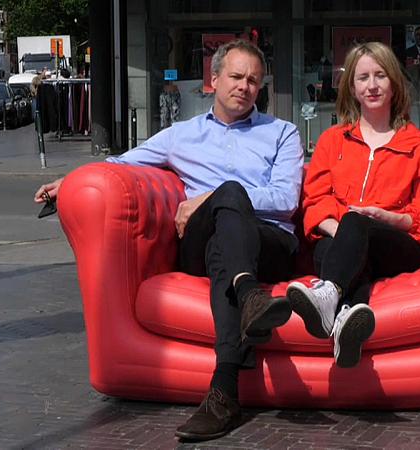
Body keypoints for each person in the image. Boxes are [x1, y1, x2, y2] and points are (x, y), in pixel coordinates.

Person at [34, 40, 303, 441]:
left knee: (225, 229)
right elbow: (122, 162)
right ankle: (248, 301)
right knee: (226, 210)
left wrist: (209, 197)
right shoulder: (182, 135)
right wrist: (71, 182)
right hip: (200, 242)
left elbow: (284, 200)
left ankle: (226, 387)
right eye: (236, 77)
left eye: (253, 80)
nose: (244, 87)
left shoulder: (282, 133)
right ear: (214, 79)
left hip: (268, 244)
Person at [286, 42, 420, 368]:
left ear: (394, 84)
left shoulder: (418, 146)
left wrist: (389, 218)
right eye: (363, 78)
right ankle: (347, 319)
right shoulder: (333, 140)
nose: (372, 85)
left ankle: (328, 294)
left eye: (380, 76)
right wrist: (348, 235)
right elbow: (315, 201)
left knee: (355, 223)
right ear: (352, 88)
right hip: (341, 242)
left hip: (398, 247)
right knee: (334, 243)